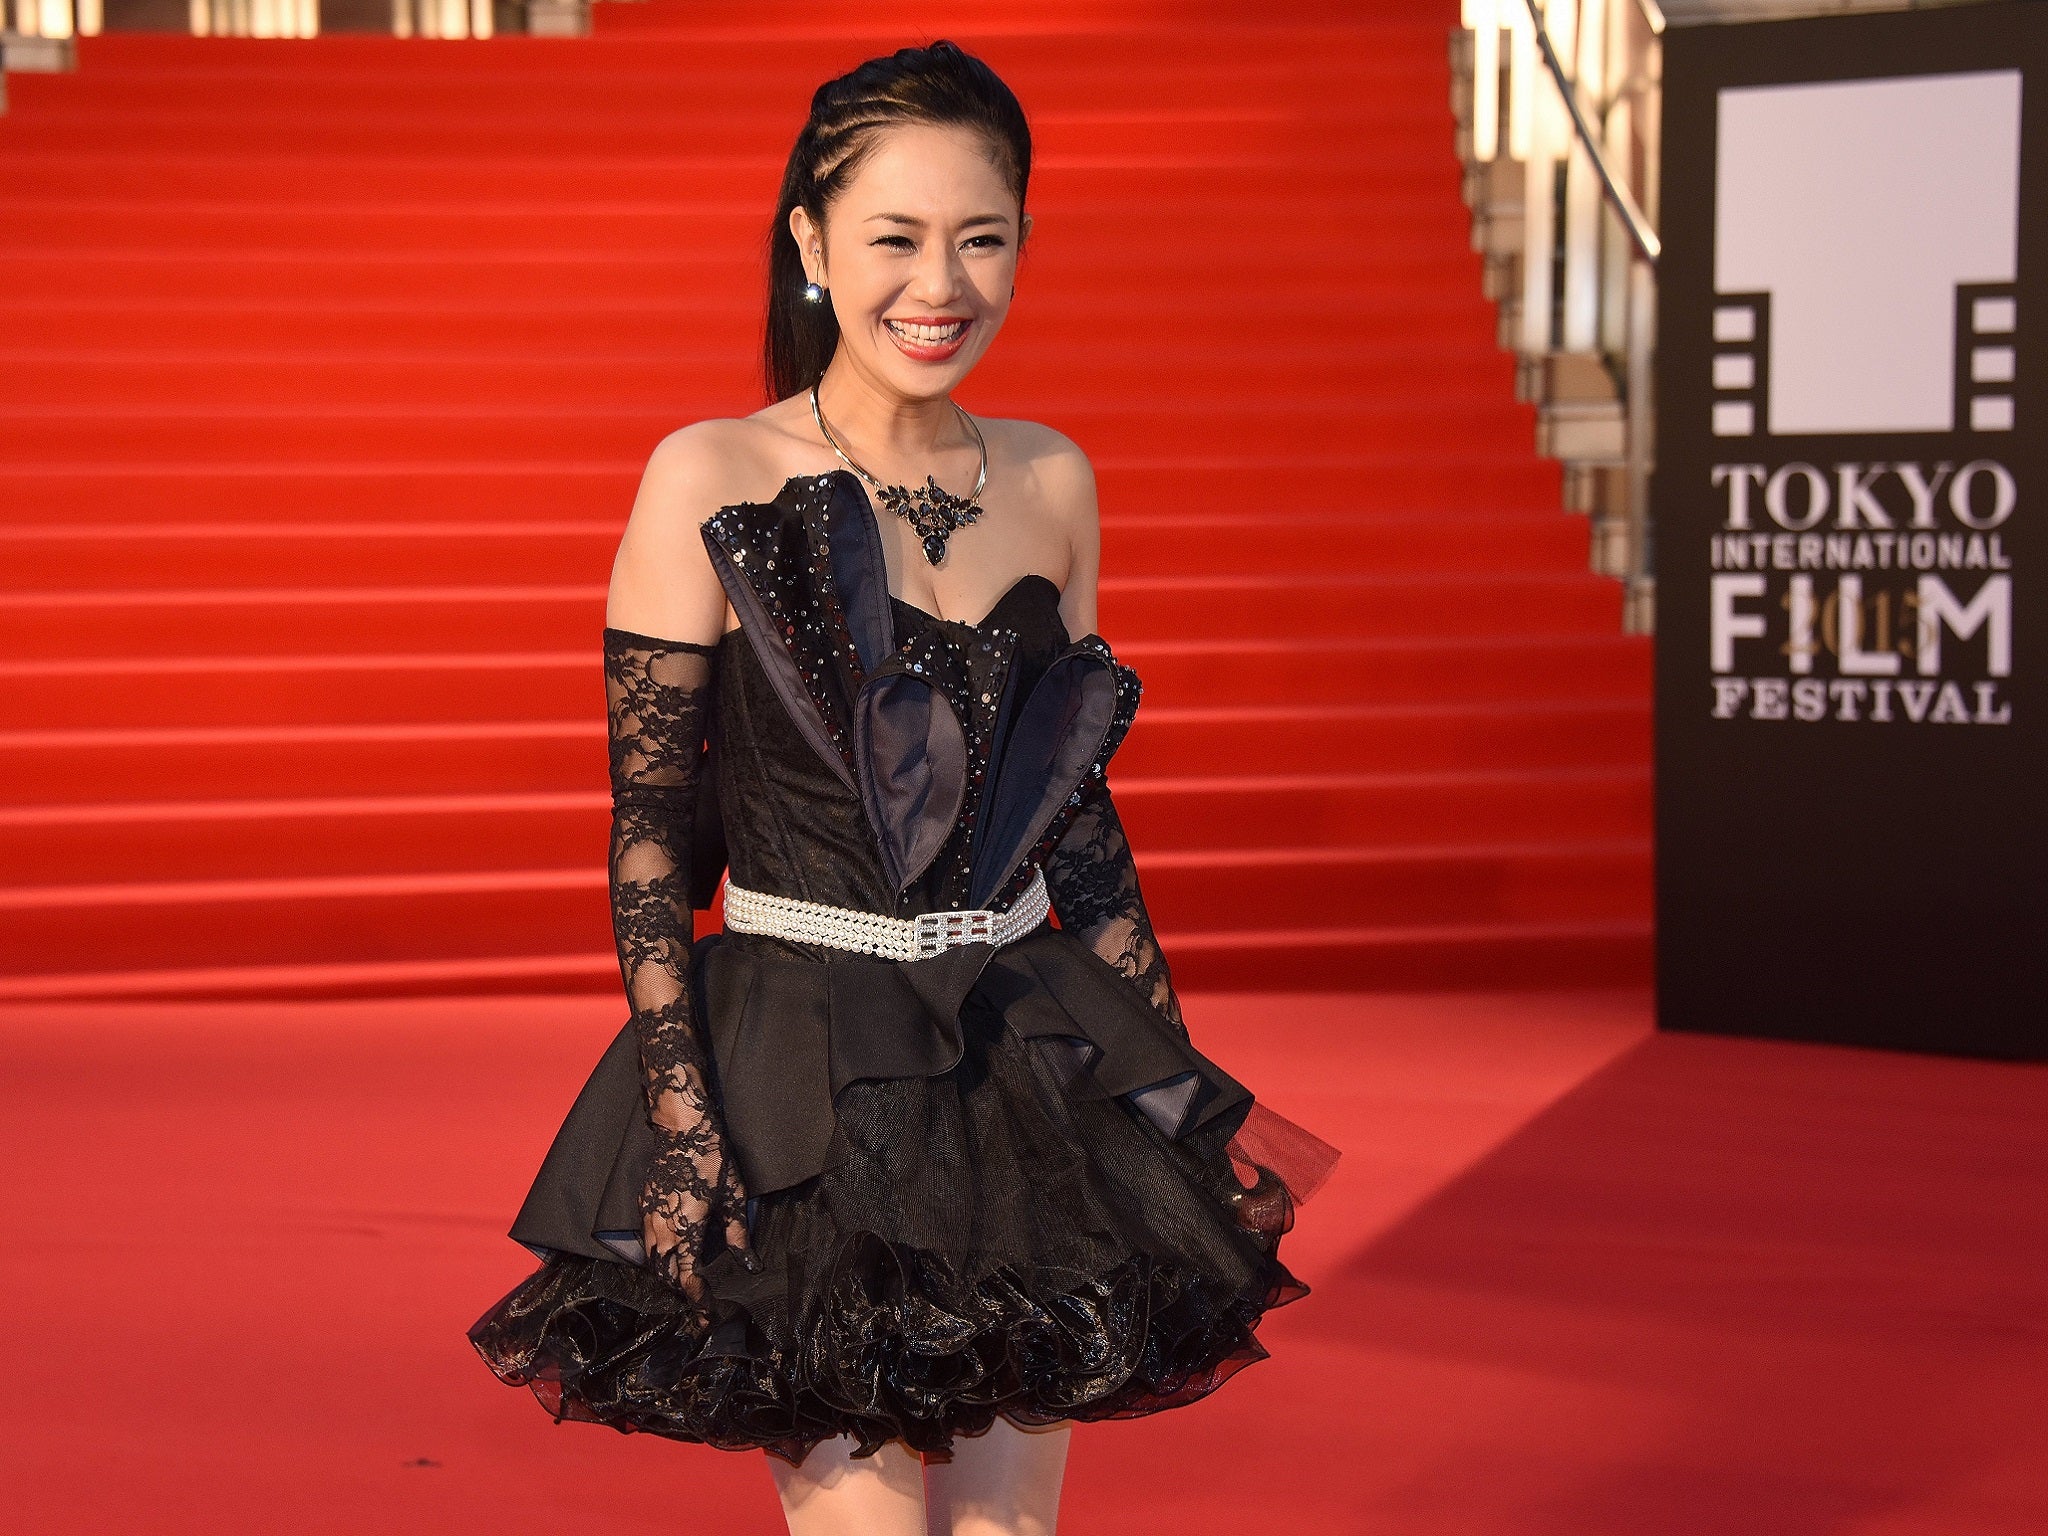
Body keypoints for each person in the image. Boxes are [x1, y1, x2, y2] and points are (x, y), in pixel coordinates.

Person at [468, 39, 1338, 1536]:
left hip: (1014, 1053)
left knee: (1011, 1532)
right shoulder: (707, 475)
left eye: (981, 239)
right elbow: (649, 839)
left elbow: (1079, 817)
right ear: (809, 241)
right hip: (802, 1065)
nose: (940, 284)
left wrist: (1171, 1092)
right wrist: (685, 1115)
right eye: (894, 237)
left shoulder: (1053, 480)